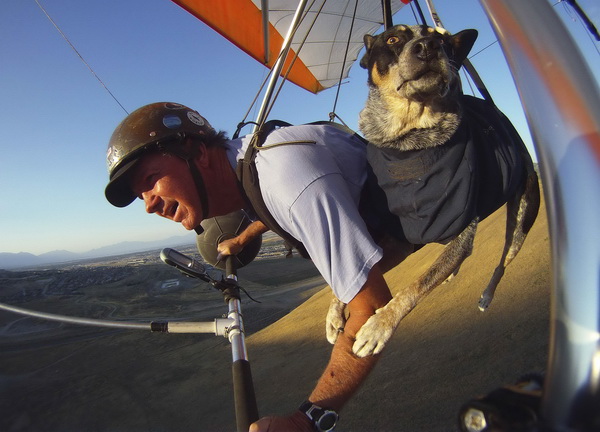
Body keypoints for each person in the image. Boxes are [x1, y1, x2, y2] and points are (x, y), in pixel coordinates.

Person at [104, 102, 394, 432]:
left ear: (197, 153)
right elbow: (272, 205)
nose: (149, 204)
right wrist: (242, 237)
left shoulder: (284, 176)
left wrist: (304, 422)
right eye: (141, 195)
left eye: (151, 180)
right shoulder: (251, 166)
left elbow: (372, 309)